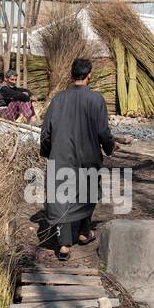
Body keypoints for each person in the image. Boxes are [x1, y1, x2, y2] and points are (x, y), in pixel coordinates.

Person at [39, 58, 116, 261]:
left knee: (62, 195)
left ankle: (64, 244)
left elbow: (46, 131)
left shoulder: (58, 99)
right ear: (89, 75)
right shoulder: (96, 99)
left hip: (62, 154)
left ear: (71, 74)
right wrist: (109, 147)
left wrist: (48, 151)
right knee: (87, 192)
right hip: (88, 155)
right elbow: (103, 131)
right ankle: (83, 233)